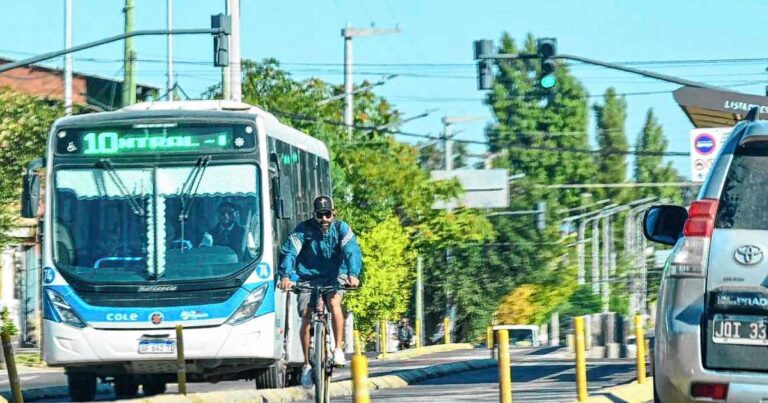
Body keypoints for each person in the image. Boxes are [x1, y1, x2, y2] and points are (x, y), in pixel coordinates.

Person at [277, 195, 363, 389]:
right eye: (319, 215)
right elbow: (289, 251)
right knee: (306, 315)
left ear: (334, 213)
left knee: (333, 302)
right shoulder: (303, 229)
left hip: (335, 276)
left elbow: (352, 251)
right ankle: (307, 364)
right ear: (313, 215)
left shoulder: (342, 229)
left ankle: (338, 349)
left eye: (327, 214)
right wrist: (286, 276)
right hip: (308, 277)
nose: (324, 218)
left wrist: (353, 274)